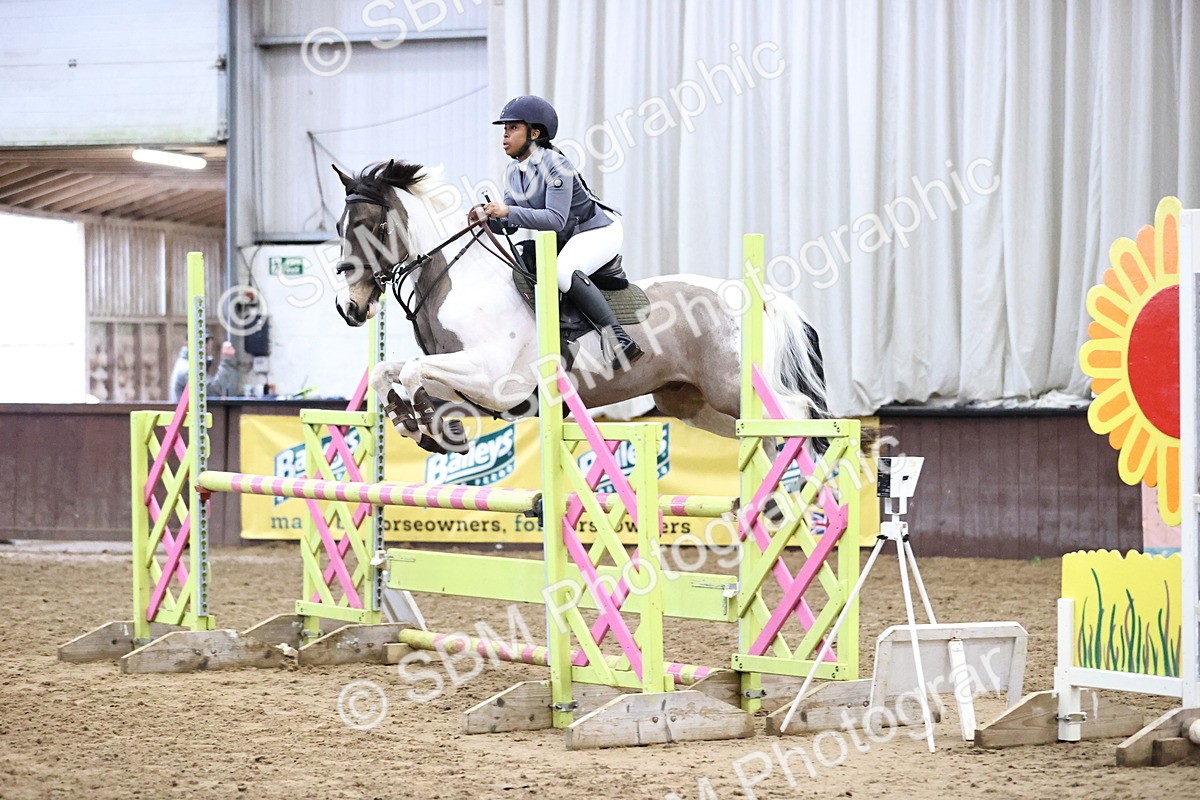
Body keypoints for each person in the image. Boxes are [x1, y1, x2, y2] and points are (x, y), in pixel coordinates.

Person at [478, 95, 643, 368]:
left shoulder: (557, 165)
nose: (505, 135)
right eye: (504, 129)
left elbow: (555, 219)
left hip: (598, 230)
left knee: (562, 271)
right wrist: (489, 217)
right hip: (569, 236)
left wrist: (506, 211)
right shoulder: (513, 170)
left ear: (534, 133)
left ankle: (619, 338)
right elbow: (513, 222)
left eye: (512, 128)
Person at [169, 333, 239, 401]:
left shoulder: (189, 364)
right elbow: (213, 391)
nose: (207, 347)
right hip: (187, 413)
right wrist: (227, 361)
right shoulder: (187, 369)